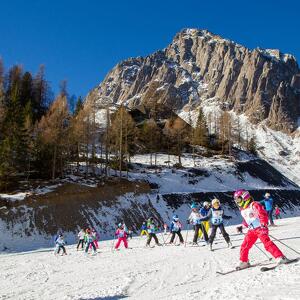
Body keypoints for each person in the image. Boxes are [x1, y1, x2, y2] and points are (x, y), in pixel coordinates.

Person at [234, 189, 287, 269]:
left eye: (238, 199)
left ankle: (280, 257)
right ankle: (244, 261)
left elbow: (263, 214)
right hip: (251, 230)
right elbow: (247, 220)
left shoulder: (254, 205)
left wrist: (263, 224)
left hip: (260, 228)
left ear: (244, 197)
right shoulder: (243, 209)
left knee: (267, 243)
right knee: (245, 245)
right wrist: (242, 227)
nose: (237, 201)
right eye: (236, 200)